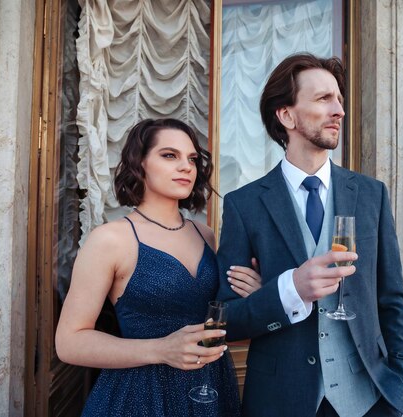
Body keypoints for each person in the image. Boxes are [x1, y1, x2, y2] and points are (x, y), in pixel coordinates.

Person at [216, 53, 403, 417]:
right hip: (281, 400)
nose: (338, 110)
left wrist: (398, 383)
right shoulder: (244, 205)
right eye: (323, 99)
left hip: (368, 398)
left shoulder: (371, 195)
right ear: (286, 115)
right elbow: (227, 318)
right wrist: (289, 290)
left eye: (339, 99)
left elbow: (392, 299)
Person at [55, 118, 261, 416]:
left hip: (210, 388)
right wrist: (160, 349)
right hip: (140, 395)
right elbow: (69, 341)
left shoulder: (205, 234)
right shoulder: (110, 239)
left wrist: (254, 291)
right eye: (169, 155)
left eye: (191, 159)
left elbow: (222, 315)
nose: (186, 167)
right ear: (139, 163)